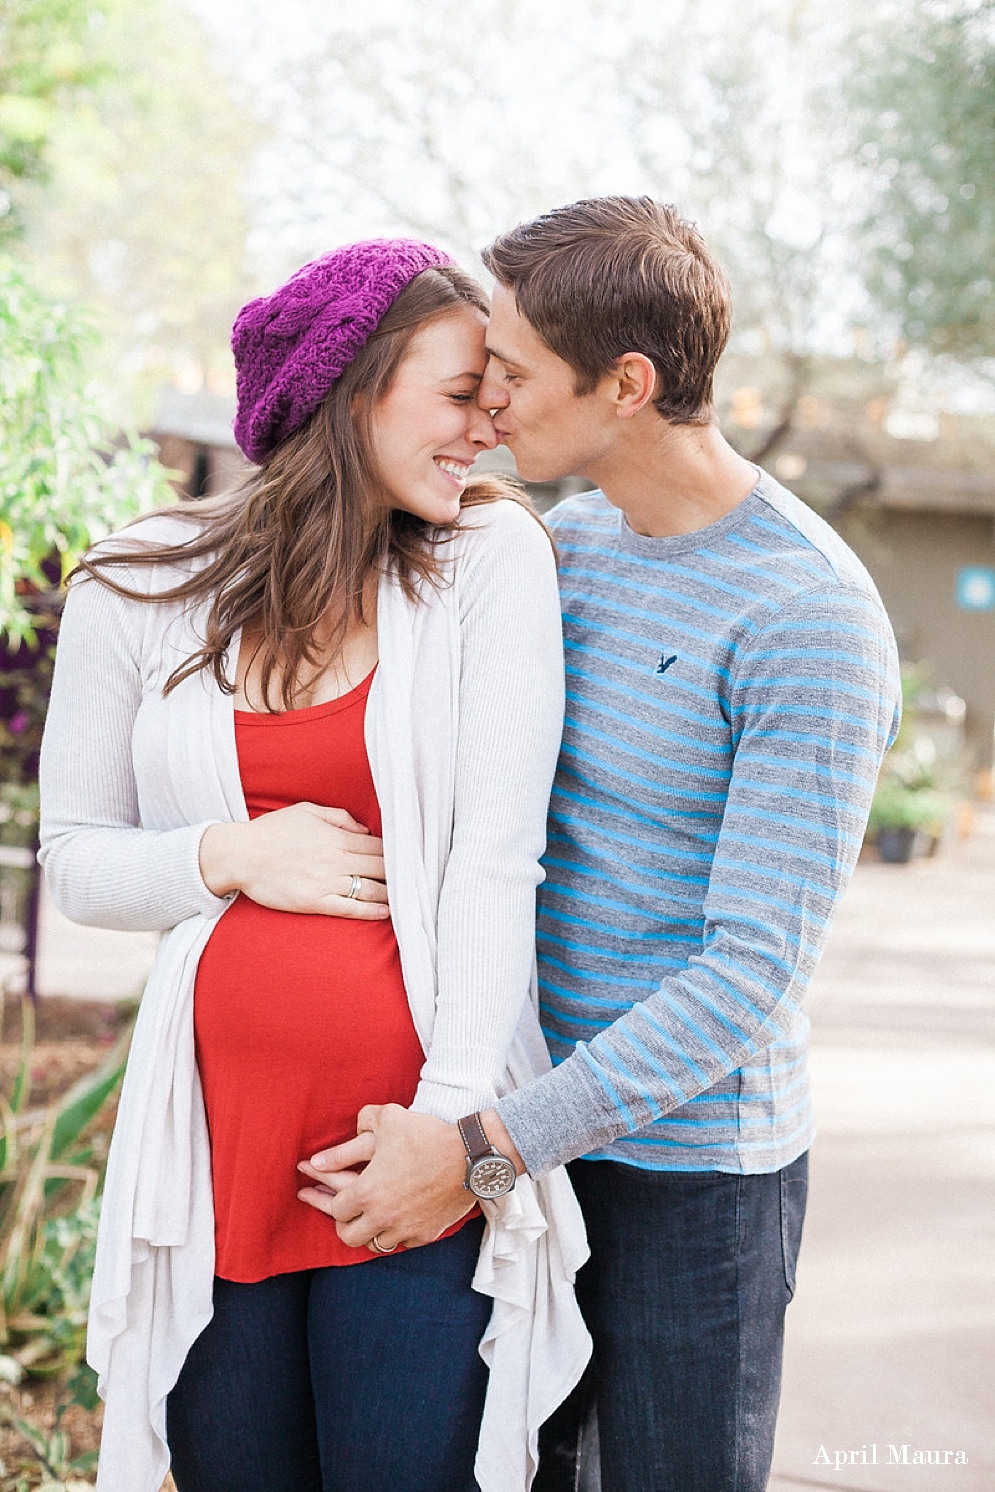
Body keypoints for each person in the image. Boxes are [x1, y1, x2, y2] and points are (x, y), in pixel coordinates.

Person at [304, 198, 903, 1492]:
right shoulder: (559, 546)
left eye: (511, 373)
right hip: (526, 1137)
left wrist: (481, 1148)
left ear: (625, 385)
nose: (489, 400)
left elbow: (744, 982)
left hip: (689, 1188)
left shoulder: (807, 619)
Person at [38, 239, 590, 1492]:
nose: (486, 433)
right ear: (352, 386)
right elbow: (76, 862)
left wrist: (448, 1133)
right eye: (461, 394)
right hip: (216, 1160)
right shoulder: (141, 582)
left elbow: (497, 864)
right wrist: (229, 854)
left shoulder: (485, 565)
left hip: (401, 1162)